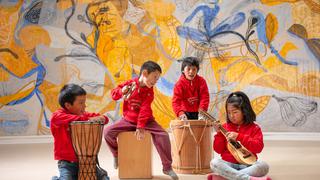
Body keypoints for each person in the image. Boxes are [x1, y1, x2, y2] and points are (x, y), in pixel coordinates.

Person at [103, 61, 179, 180]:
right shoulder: (129, 83)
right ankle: (116, 155)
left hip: (147, 121)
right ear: (144, 73)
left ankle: (167, 167)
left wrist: (140, 126)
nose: (155, 81)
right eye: (154, 77)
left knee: (163, 135)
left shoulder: (149, 91)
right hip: (127, 120)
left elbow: (145, 109)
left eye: (157, 79)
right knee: (107, 132)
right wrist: (121, 91)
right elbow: (114, 95)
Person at [51, 84, 109, 180]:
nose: (85, 105)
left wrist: (102, 118)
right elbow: (56, 118)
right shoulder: (58, 116)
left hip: (86, 161)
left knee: (104, 178)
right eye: (81, 103)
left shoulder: (83, 114)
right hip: (67, 163)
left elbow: (104, 119)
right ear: (68, 105)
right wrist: (87, 118)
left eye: (84, 102)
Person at [208, 91, 270, 180]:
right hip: (229, 165)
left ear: (244, 111)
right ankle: (248, 179)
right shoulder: (224, 127)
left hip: (248, 165)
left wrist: (239, 136)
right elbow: (218, 149)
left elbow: (258, 147)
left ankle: (224, 178)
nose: (231, 116)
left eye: (235, 112)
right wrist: (218, 134)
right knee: (214, 162)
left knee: (263, 166)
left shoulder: (255, 128)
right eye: (229, 113)